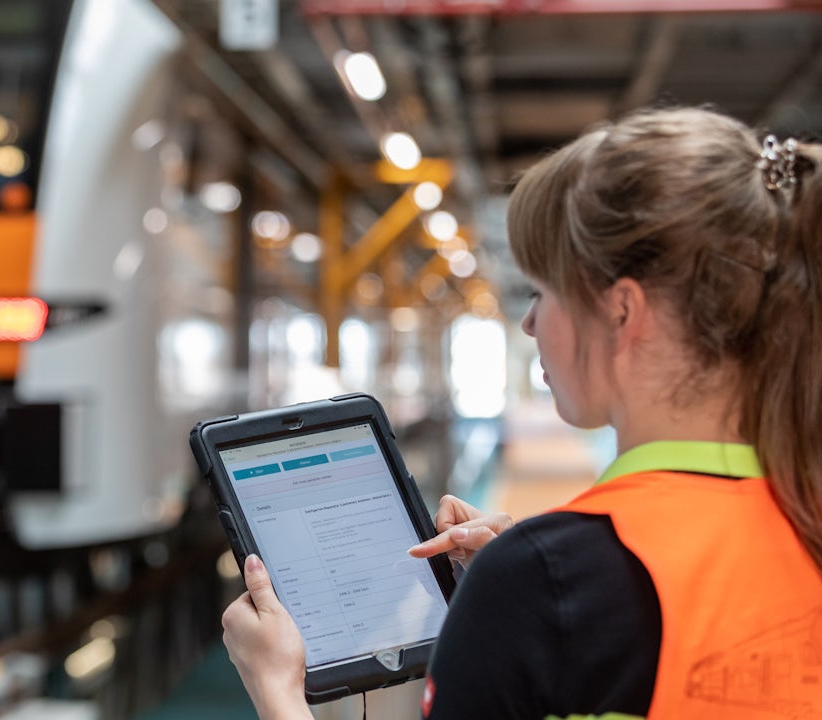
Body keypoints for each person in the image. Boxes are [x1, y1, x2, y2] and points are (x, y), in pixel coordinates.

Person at [220, 106, 822, 720]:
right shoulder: (806, 515)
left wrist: (277, 691)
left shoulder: (543, 580)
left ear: (622, 311)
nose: (530, 322)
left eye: (542, 292)